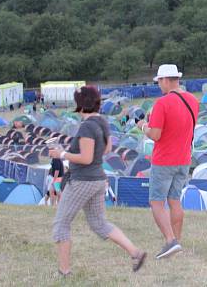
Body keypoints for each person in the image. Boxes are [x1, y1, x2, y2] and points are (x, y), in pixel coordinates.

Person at [50, 86, 146, 277]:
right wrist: (83, 155)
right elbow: (107, 149)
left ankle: (64, 271)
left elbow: (85, 158)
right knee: (99, 223)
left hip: (82, 181)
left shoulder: (86, 126)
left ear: (80, 103)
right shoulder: (102, 121)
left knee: (61, 223)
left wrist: (61, 153)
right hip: (98, 179)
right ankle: (136, 253)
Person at [138, 64, 198, 259]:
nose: (159, 85)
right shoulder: (193, 101)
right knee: (174, 201)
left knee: (156, 202)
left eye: (159, 81)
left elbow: (155, 135)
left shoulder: (162, 103)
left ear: (165, 80)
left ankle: (170, 240)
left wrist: (144, 127)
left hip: (164, 160)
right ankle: (176, 243)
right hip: (184, 159)